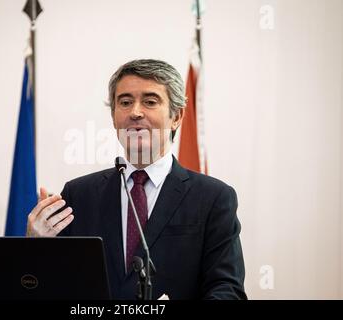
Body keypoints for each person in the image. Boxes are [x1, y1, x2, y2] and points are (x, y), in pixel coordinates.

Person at [26, 59, 247, 300]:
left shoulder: (213, 198)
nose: (135, 112)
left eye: (150, 102)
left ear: (176, 117)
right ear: (113, 117)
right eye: (125, 102)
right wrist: (37, 249)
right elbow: (53, 284)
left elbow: (227, 289)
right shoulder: (78, 195)